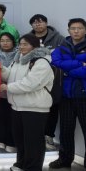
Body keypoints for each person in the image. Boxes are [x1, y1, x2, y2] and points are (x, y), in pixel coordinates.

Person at [50, 18, 86, 171]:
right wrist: (80, 64)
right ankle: (65, 159)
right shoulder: (61, 47)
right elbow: (56, 63)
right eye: (73, 28)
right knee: (65, 130)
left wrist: (67, 70)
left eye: (80, 28)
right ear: (68, 30)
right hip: (66, 95)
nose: (76, 31)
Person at [0, 34, 54, 171]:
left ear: (34, 46)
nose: (22, 47)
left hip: (35, 107)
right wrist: (1, 69)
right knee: (20, 139)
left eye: (26, 44)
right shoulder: (18, 60)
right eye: (21, 44)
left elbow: (30, 84)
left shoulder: (41, 62)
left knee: (33, 140)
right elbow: (10, 76)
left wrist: (8, 87)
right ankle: (22, 163)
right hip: (17, 106)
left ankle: (34, 169)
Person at [28, 13, 66, 150]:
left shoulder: (59, 38)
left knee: (52, 105)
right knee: (34, 106)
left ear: (46, 23)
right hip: (33, 77)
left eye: (40, 21)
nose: (38, 24)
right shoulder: (28, 38)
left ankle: (48, 135)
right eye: (35, 22)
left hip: (53, 77)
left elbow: (62, 55)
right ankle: (36, 136)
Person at [0, 32, 18, 152]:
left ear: (13, 42)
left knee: (12, 118)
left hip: (14, 91)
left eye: (8, 40)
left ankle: (11, 142)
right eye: (2, 41)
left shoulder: (19, 54)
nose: (5, 43)